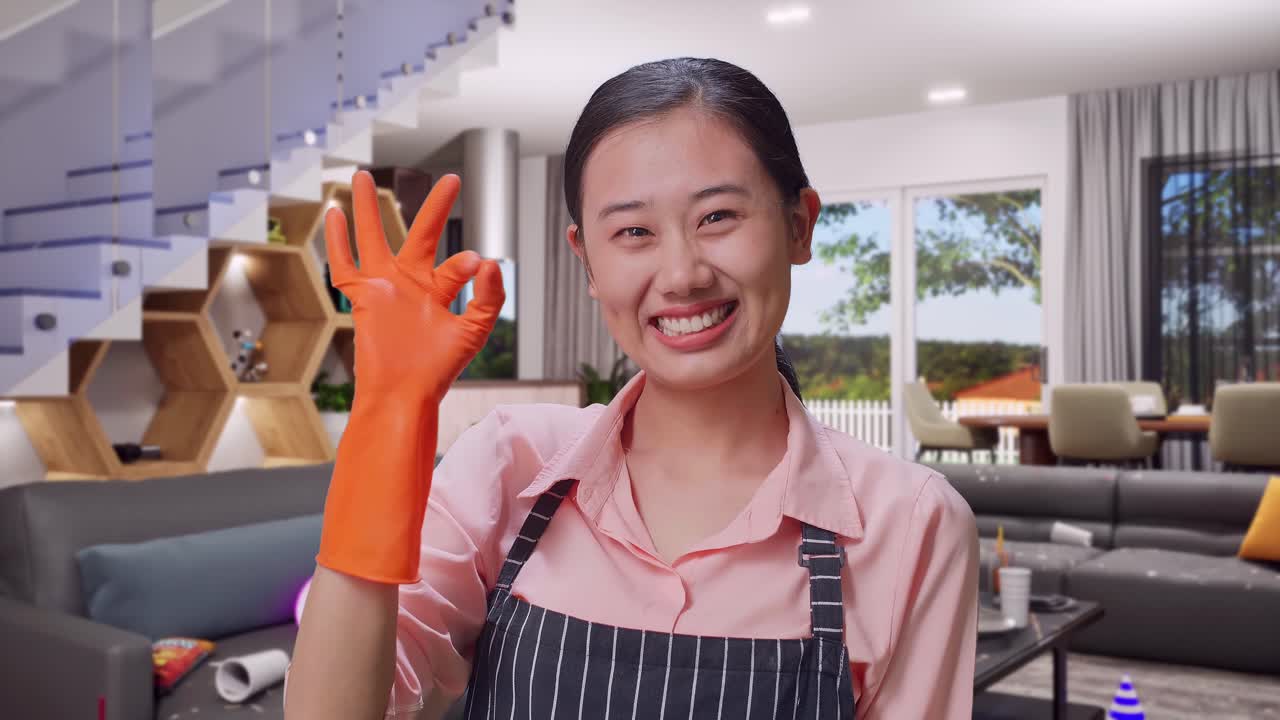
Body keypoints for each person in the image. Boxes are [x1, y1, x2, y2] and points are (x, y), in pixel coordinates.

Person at [286, 57, 978, 720]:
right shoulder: (509, 467)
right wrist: (383, 417)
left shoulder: (910, 525)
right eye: (634, 231)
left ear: (799, 225)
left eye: (718, 217)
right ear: (586, 260)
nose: (681, 275)